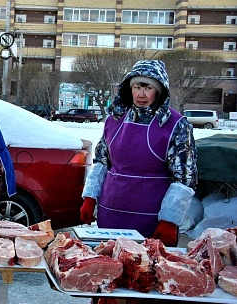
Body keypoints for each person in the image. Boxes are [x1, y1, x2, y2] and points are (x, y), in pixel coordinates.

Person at [80, 60, 197, 248]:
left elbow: (184, 178)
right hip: (110, 216)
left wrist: (170, 220)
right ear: (129, 88)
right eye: (137, 87)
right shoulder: (115, 120)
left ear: (159, 91)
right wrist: (90, 198)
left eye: (148, 87)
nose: (141, 95)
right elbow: (102, 162)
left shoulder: (176, 126)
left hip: (150, 221)